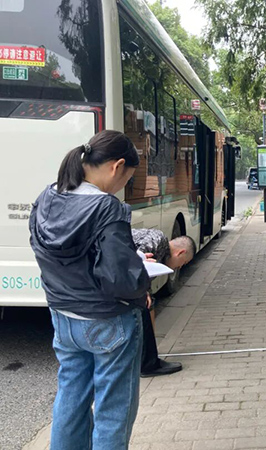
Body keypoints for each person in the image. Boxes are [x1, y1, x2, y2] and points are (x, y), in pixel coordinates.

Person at [29, 130, 149, 450]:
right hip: (107, 319)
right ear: (117, 166)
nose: (123, 186)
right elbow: (120, 276)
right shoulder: (106, 207)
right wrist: (141, 285)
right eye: (127, 178)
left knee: (71, 397)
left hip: (63, 316)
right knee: (113, 408)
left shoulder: (48, 196)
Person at [131, 228, 196, 377]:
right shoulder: (158, 239)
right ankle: (148, 365)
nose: (179, 267)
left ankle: (149, 359)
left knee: (147, 305)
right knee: (143, 306)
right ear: (181, 253)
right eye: (183, 263)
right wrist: (142, 290)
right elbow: (136, 259)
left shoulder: (160, 256)